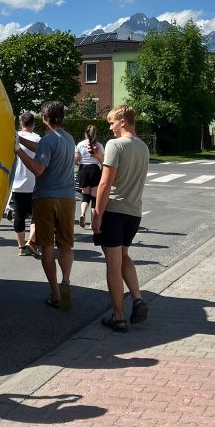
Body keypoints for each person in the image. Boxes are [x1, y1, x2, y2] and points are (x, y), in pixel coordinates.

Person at [92, 105, 151, 332]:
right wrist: (100, 158)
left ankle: (118, 316)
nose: (110, 127)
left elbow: (106, 183)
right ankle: (137, 298)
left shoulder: (115, 144)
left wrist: (97, 215)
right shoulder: (143, 147)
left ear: (123, 121)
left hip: (114, 211)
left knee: (113, 264)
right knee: (124, 255)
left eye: (112, 122)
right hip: (134, 212)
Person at [15, 101, 77, 311]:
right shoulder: (68, 139)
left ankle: (55, 293)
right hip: (68, 199)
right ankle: (66, 280)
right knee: (66, 245)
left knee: (47, 245)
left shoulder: (48, 139)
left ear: (44, 118)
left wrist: (18, 151)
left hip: (46, 198)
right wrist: (21, 140)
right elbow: (42, 149)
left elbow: (39, 168)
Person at [10, 112, 40, 258]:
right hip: (33, 183)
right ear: (34, 124)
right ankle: (31, 241)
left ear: (20, 124)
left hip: (16, 183)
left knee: (19, 215)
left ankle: (21, 247)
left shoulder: (13, 137)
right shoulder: (37, 139)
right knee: (37, 216)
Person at [74, 125, 104, 228]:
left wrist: (80, 163)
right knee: (94, 198)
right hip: (94, 170)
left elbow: (76, 159)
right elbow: (102, 161)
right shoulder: (99, 145)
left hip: (83, 169)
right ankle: (92, 222)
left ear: (85, 133)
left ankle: (82, 214)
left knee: (85, 196)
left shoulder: (80, 144)